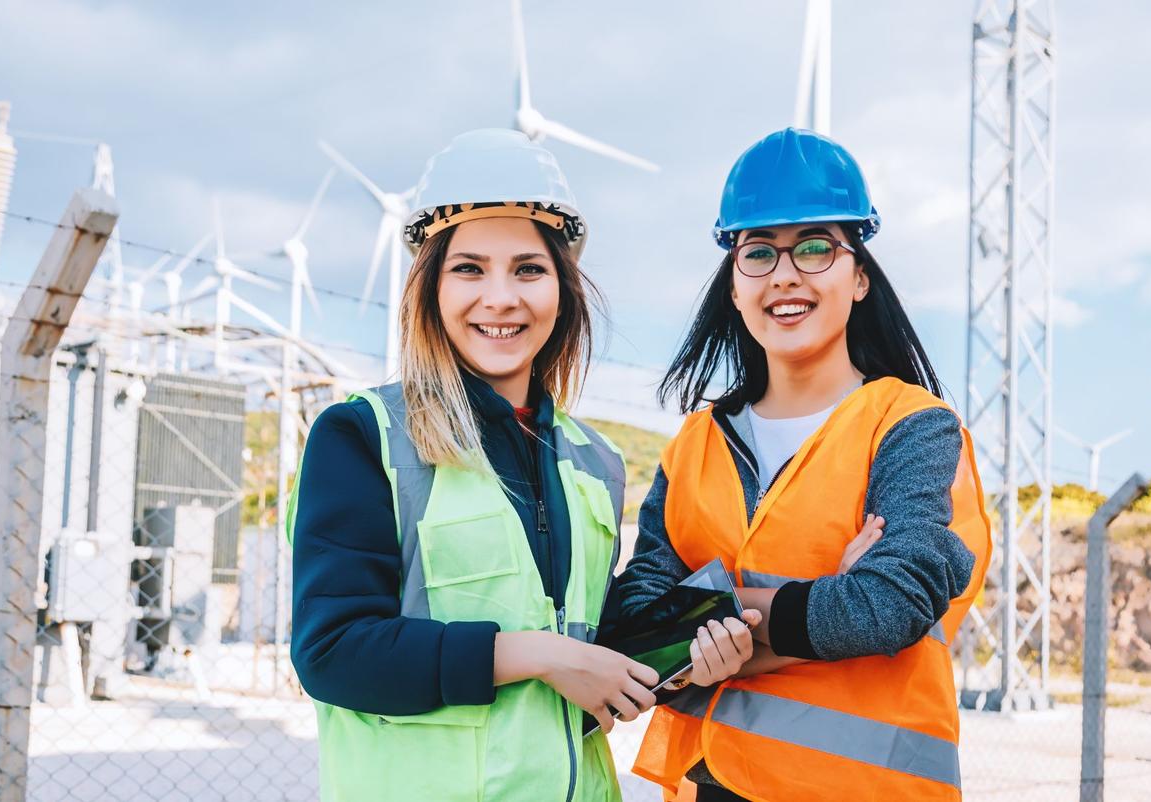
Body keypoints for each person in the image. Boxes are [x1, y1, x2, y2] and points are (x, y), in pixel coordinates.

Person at [287, 129, 757, 802]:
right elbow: (334, 653)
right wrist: (541, 655)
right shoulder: (364, 436)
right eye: (470, 269)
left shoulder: (597, 462)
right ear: (430, 288)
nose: (501, 298)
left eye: (529, 269)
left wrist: (686, 657)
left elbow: (593, 646)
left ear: (562, 288)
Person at [617, 128, 993, 802]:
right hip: (714, 787)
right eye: (758, 253)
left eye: (816, 248)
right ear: (734, 287)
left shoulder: (910, 427)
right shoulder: (696, 443)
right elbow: (634, 631)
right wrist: (824, 602)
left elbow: (890, 603)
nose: (785, 274)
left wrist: (713, 626)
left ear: (858, 278)